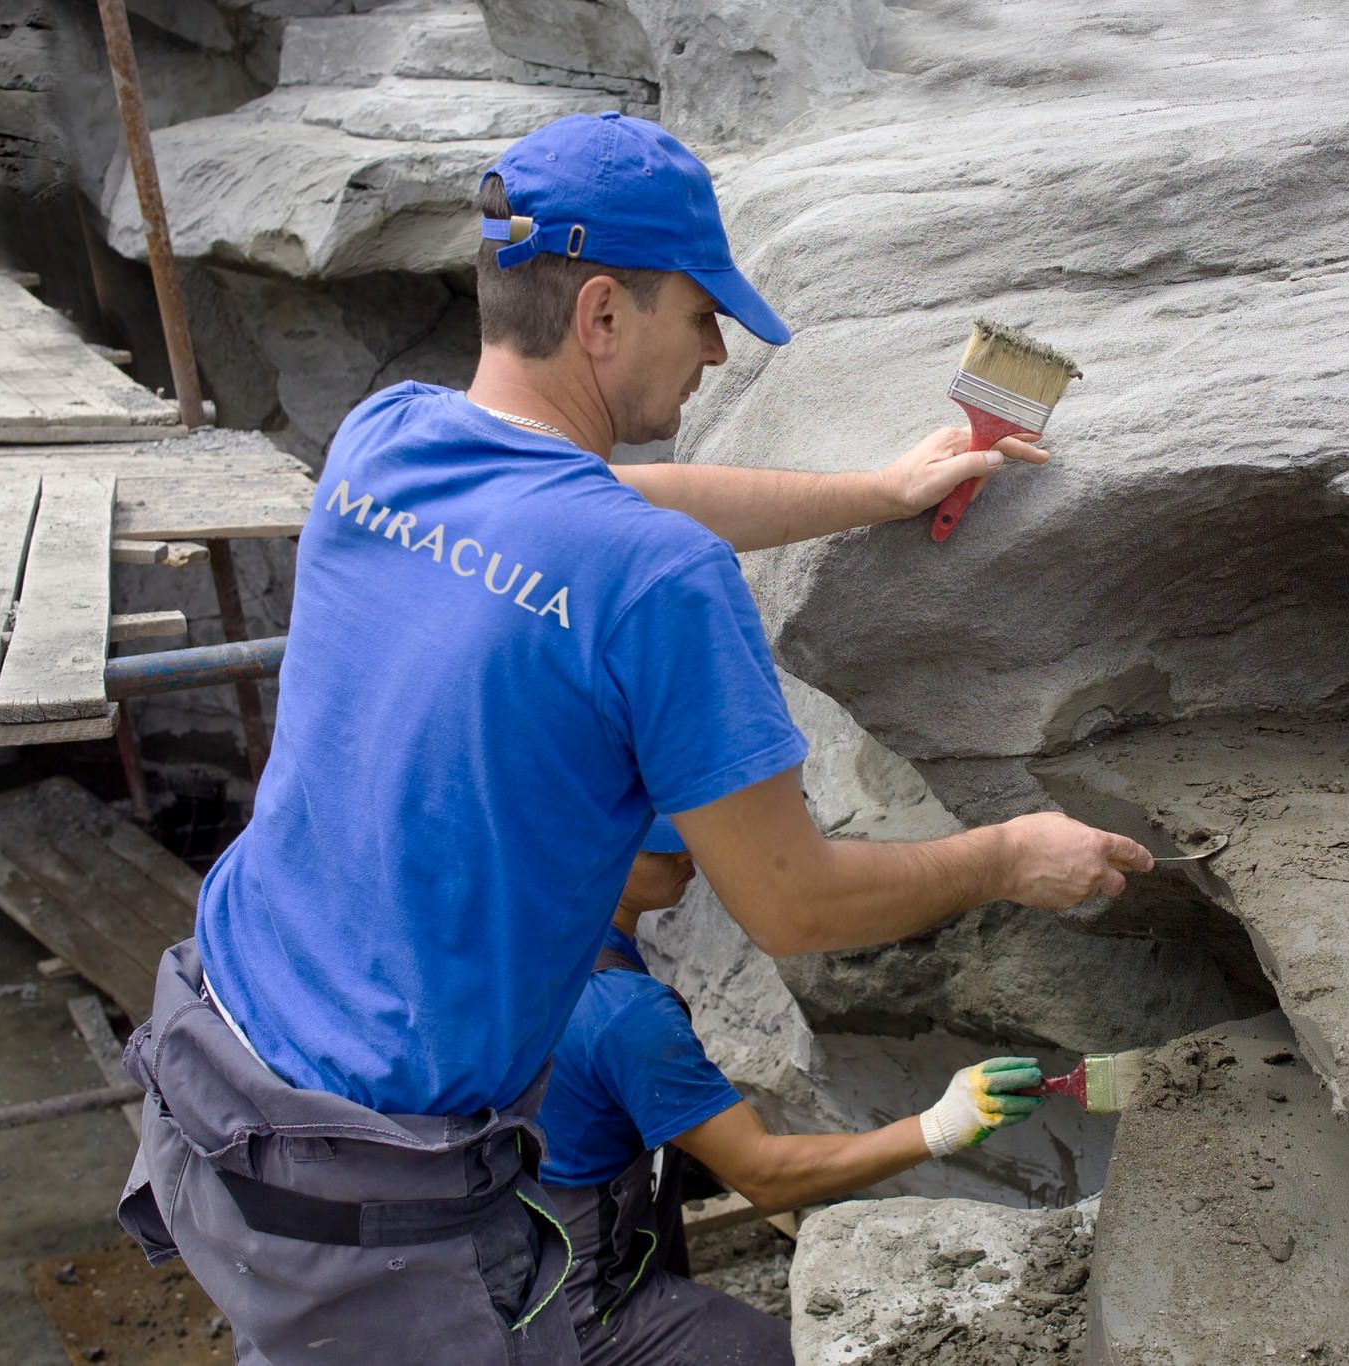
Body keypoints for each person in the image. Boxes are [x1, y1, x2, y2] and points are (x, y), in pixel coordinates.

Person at [116, 110, 1151, 1366]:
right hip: (365, 1203)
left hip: (202, 1068)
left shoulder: (384, 440)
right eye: (698, 314)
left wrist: (875, 493)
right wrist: (1002, 858)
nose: (715, 352)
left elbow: (604, 498)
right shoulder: (656, 585)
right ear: (602, 314)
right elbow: (794, 905)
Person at [539, 819, 1046, 1365]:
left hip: (516, 1246)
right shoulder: (626, 1013)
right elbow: (763, 1175)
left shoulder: (528, 941)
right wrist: (945, 1123)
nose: (692, 856)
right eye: (666, 848)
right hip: (583, 1304)